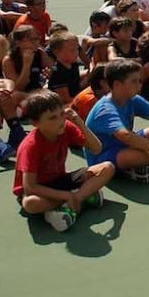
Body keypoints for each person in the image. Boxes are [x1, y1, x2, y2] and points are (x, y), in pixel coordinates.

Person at [14, 90, 114, 233]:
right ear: (35, 123)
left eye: (62, 114)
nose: (60, 120)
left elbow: (96, 148)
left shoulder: (66, 127)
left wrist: (80, 123)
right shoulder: (30, 145)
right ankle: (82, 197)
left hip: (61, 180)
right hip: (40, 189)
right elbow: (30, 187)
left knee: (107, 167)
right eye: (52, 118)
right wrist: (67, 195)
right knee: (30, 204)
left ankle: (67, 207)